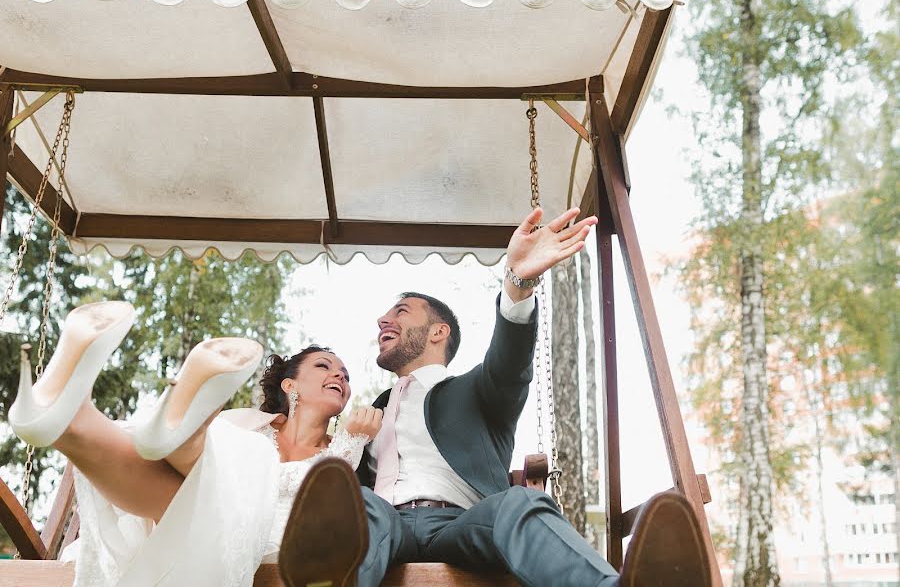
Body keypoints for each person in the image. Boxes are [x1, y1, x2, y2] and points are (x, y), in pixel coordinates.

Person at [279, 206, 714, 587]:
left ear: (437, 332)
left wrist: (517, 283)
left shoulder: (477, 390)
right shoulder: (367, 413)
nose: (382, 319)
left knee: (522, 500)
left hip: (463, 524)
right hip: (383, 526)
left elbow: (510, 359)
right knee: (361, 506)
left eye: (400, 311)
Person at [8, 302, 381, 587]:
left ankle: (76, 425)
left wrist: (356, 439)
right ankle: (170, 436)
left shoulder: (344, 446)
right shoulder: (249, 426)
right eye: (324, 366)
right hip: (210, 526)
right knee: (230, 457)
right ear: (290, 385)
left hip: (273, 543)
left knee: (206, 491)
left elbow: (340, 514)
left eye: (346, 375)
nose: (339, 376)